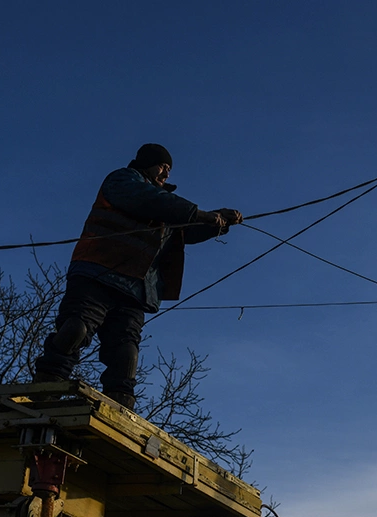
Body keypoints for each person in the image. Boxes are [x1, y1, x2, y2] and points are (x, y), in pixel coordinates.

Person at [33, 143, 242, 409]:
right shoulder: (123, 180)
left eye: (169, 169)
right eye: (162, 167)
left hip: (134, 287)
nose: (166, 174)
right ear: (147, 163)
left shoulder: (166, 206)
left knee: (126, 351)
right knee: (75, 328)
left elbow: (183, 231)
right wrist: (200, 213)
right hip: (97, 272)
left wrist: (218, 223)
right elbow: (149, 200)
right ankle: (46, 386)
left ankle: (120, 403)